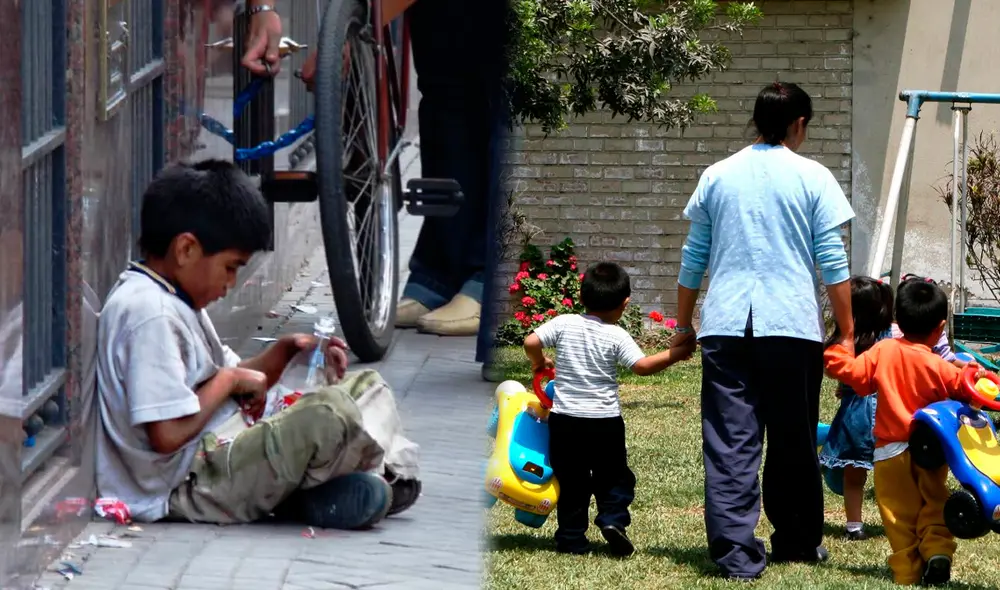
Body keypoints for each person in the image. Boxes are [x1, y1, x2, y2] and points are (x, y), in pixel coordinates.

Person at [96, 159, 420, 528]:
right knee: (329, 414)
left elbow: (238, 375)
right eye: (231, 267)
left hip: (226, 446)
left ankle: (332, 484)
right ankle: (341, 484)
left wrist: (287, 351)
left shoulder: (175, 297)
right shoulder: (148, 312)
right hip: (191, 483)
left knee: (368, 386)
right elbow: (167, 435)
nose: (231, 283)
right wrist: (229, 382)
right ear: (186, 249)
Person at [671, 81, 856, 580]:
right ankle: (796, 541)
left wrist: (684, 325)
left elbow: (694, 258)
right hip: (792, 326)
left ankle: (734, 552)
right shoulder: (813, 176)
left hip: (727, 325)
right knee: (793, 437)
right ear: (799, 125)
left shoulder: (718, 175)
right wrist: (847, 330)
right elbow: (832, 261)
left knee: (731, 439)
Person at [523, 262, 695, 557]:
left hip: (565, 422)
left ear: (581, 296)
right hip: (605, 423)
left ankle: (571, 539)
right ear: (625, 303)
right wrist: (677, 353)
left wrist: (539, 362)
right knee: (614, 476)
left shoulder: (564, 323)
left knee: (572, 483)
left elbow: (530, 341)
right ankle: (612, 521)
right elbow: (641, 367)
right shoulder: (616, 335)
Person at [824, 278, 983, 586]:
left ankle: (909, 570)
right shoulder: (938, 365)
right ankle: (937, 551)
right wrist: (973, 373)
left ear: (898, 319)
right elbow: (965, 388)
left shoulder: (883, 351)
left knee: (898, 514)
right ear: (939, 329)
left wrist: (836, 355)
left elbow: (856, 377)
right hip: (930, 450)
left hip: (889, 451)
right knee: (935, 502)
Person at [819, 276, 894, 541]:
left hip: (857, 417)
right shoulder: (890, 336)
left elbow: (830, 369)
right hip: (889, 414)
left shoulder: (845, 340)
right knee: (892, 477)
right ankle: (899, 522)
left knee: (854, 478)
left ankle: (854, 526)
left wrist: (846, 383)